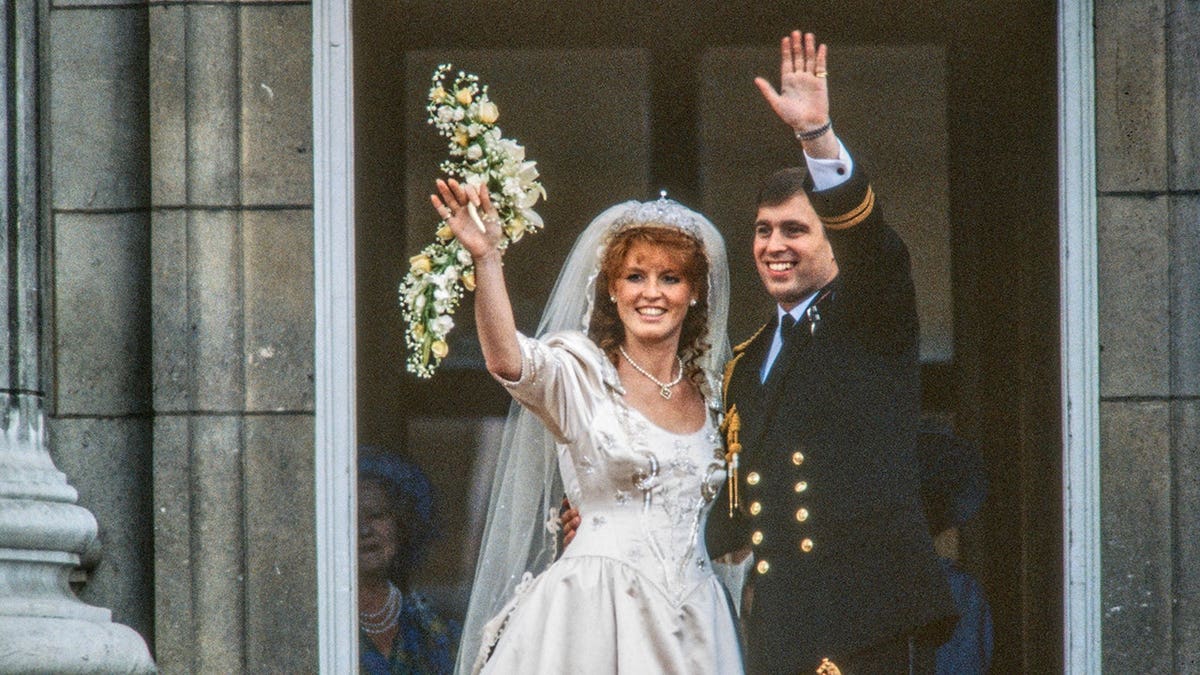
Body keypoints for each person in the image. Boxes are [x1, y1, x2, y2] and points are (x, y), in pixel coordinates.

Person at [704, 30, 958, 673]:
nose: (774, 246)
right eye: (763, 230)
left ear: (833, 239)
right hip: (781, 626)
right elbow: (737, 505)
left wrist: (817, 139)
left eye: (795, 229)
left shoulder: (870, 312)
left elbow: (873, 247)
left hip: (868, 619)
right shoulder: (747, 360)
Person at [431, 177, 740, 674]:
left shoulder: (715, 397)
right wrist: (486, 259)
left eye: (670, 278)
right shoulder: (580, 375)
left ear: (695, 291)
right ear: (613, 289)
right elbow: (508, 361)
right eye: (635, 277)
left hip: (698, 621)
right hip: (595, 612)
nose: (652, 293)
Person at [358, 452, 460, 675]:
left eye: (376, 515)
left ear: (401, 524)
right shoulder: (324, 624)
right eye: (352, 517)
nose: (364, 530)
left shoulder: (430, 627)